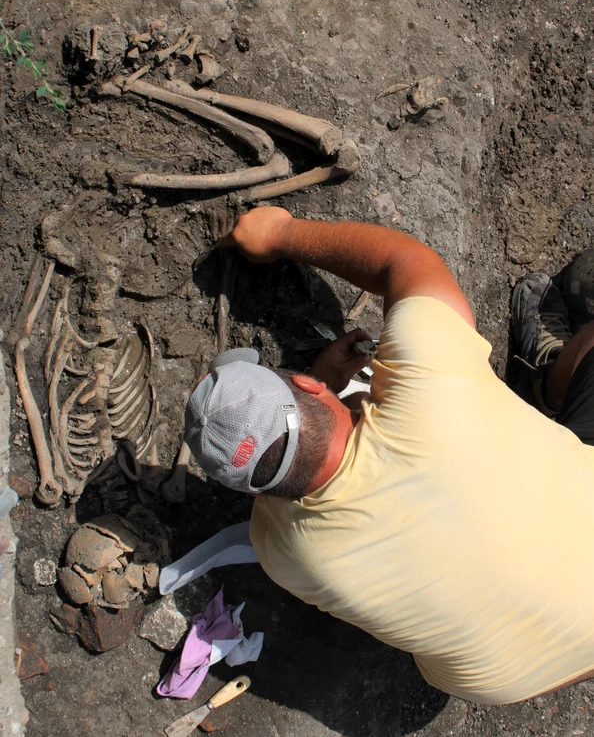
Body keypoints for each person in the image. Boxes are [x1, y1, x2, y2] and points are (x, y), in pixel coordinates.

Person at [184, 206, 594, 705]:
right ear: (308, 384)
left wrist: (332, 404)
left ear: (253, 491)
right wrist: (281, 232)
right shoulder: (428, 385)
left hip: (514, 680)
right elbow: (403, 260)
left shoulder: (280, 552)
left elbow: (303, 476)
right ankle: (548, 378)